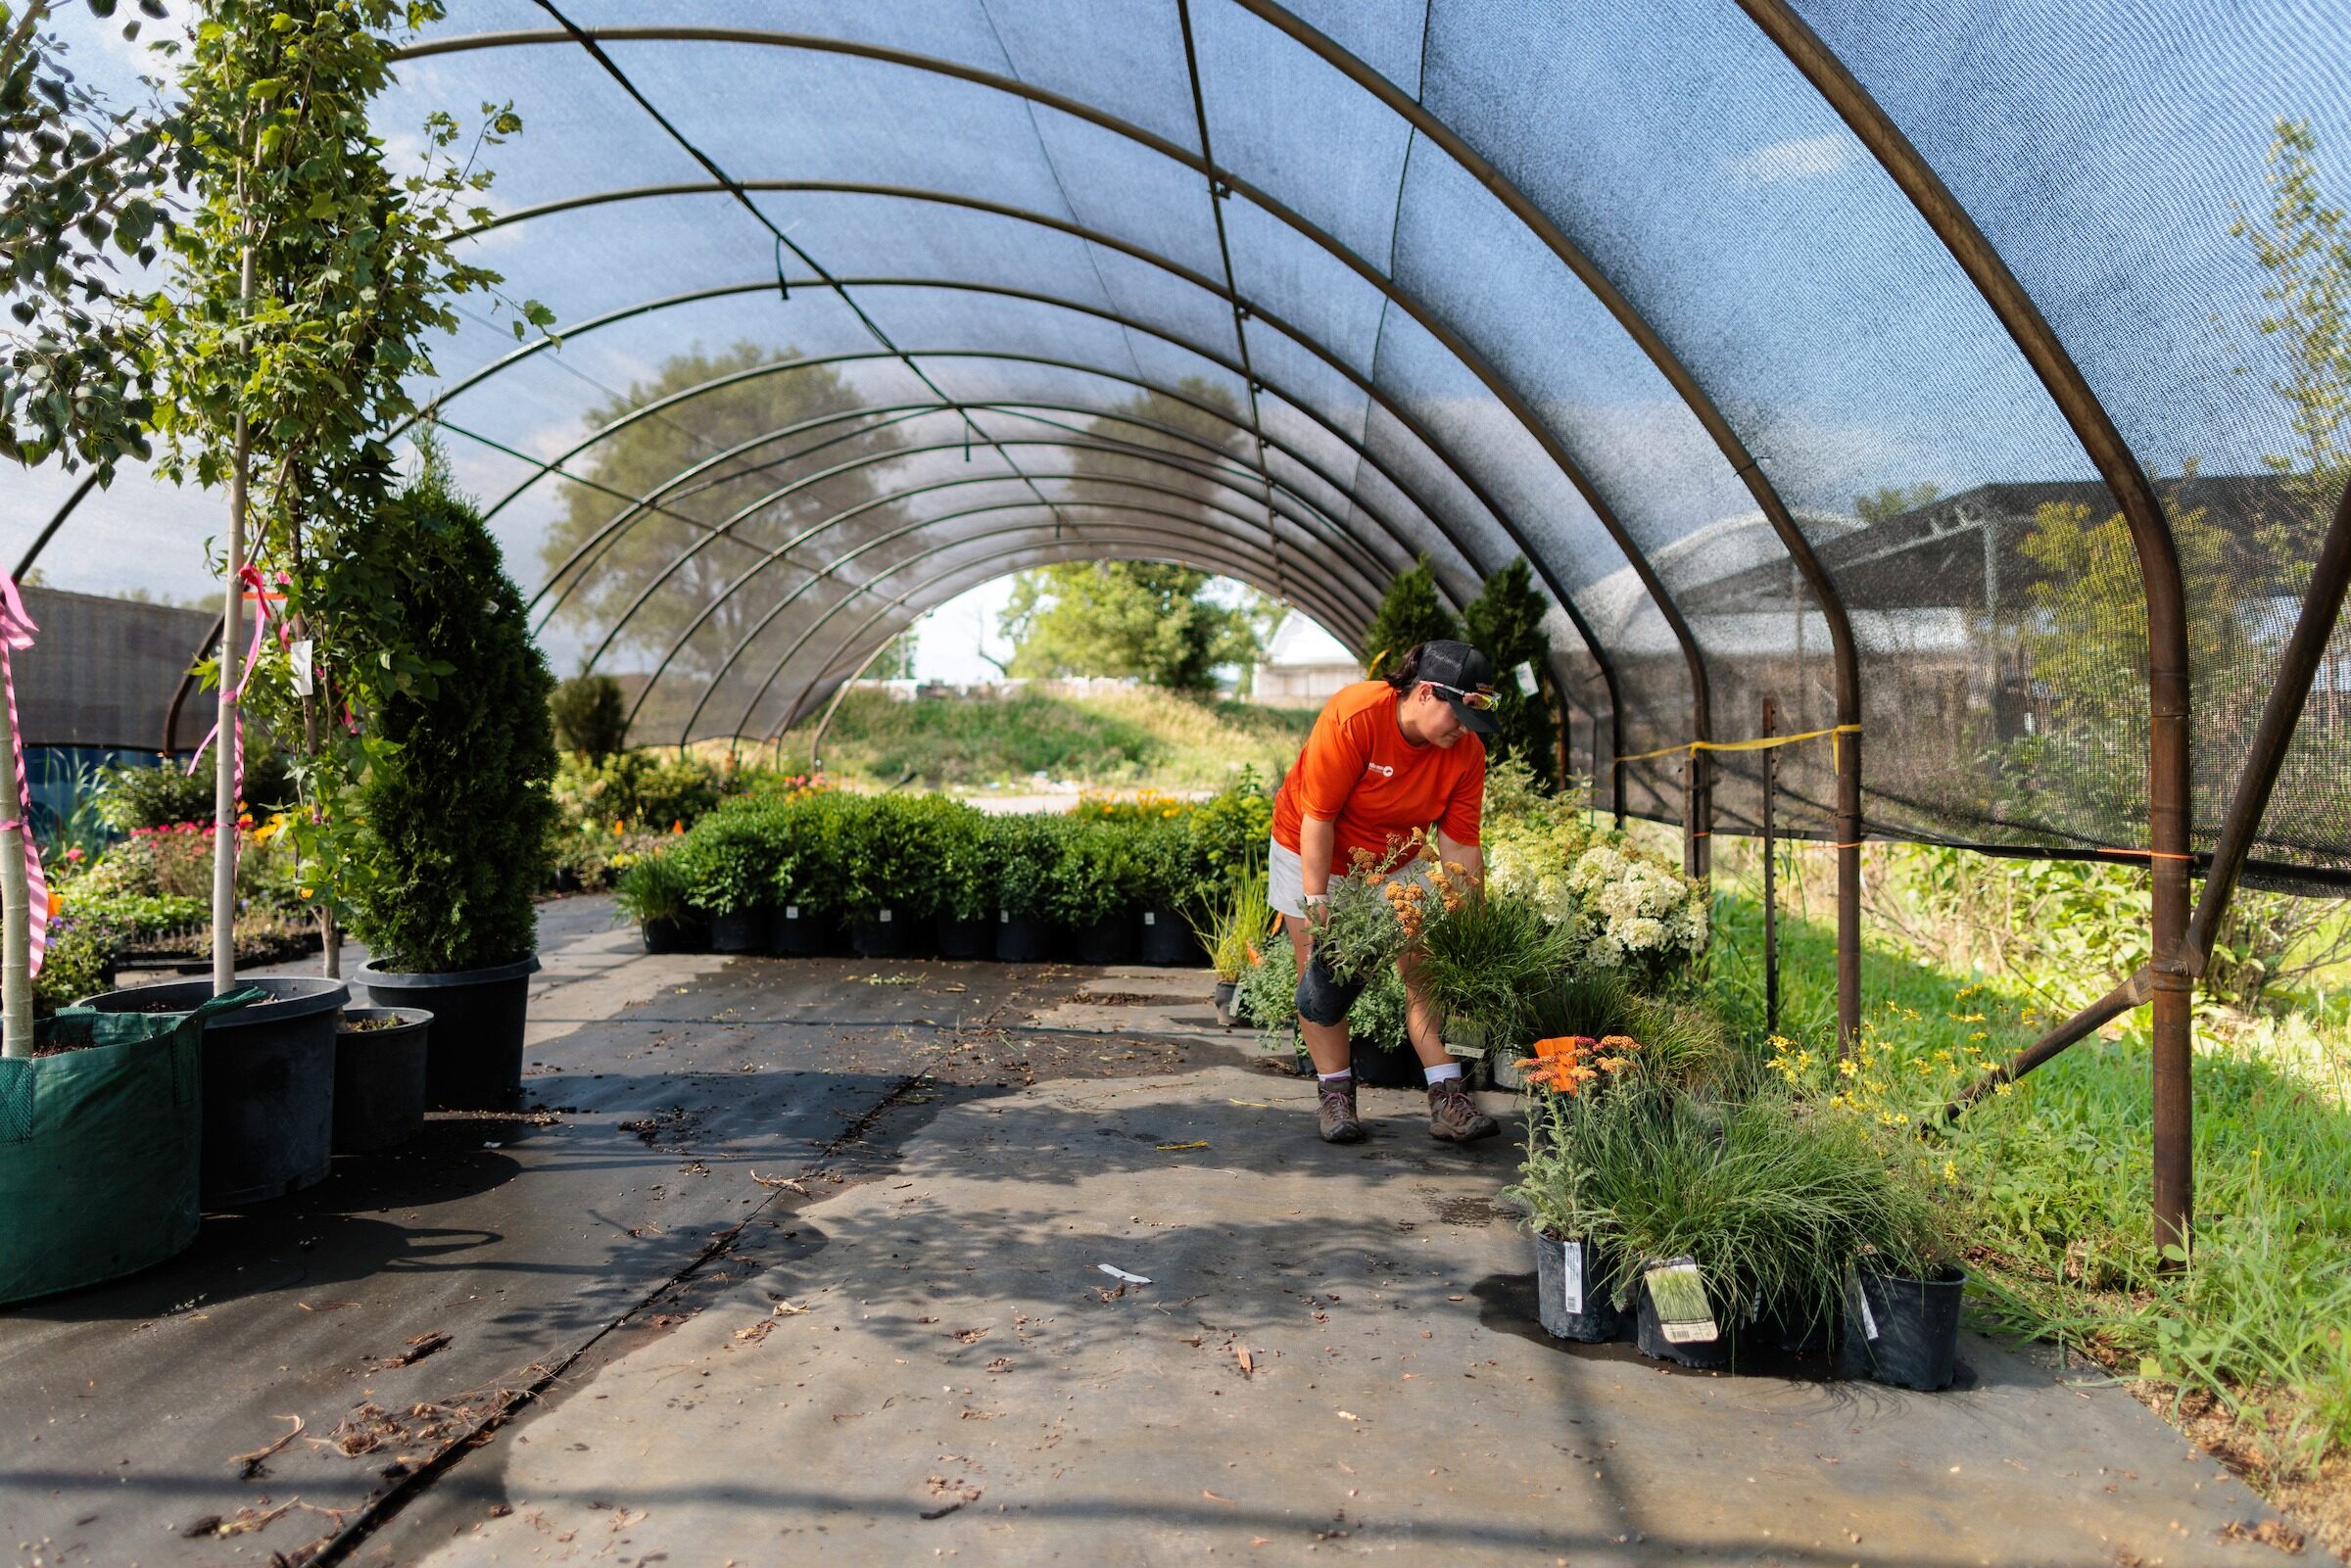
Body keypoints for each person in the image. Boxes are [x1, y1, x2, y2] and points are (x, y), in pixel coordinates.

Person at [1268, 639, 1503, 1145]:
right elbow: (1319, 817)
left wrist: (1473, 927)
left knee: (1427, 964)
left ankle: (1447, 1096)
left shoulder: (1466, 754)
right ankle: (1335, 1094)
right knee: (1322, 972)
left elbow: (1460, 847)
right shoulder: (1355, 715)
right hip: (1313, 848)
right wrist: (1318, 901)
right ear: (1424, 694)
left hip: (1398, 858)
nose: (1464, 729)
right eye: (1458, 715)